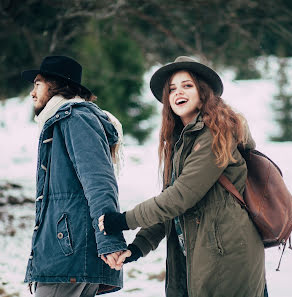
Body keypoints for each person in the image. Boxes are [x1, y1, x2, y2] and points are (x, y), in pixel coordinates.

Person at [99, 56, 267, 297]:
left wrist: (123, 220)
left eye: (187, 85)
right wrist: (138, 247)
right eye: (172, 89)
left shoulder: (215, 136)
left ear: (203, 91)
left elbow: (179, 197)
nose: (178, 92)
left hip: (227, 256)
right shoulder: (182, 141)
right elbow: (171, 204)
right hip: (197, 255)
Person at [21, 55, 127, 296]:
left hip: (70, 253)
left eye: (38, 84)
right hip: (68, 252)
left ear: (56, 85)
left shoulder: (76, 119)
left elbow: (99, 182)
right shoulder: (60, 121)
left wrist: (109, 240)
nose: (32, 93)